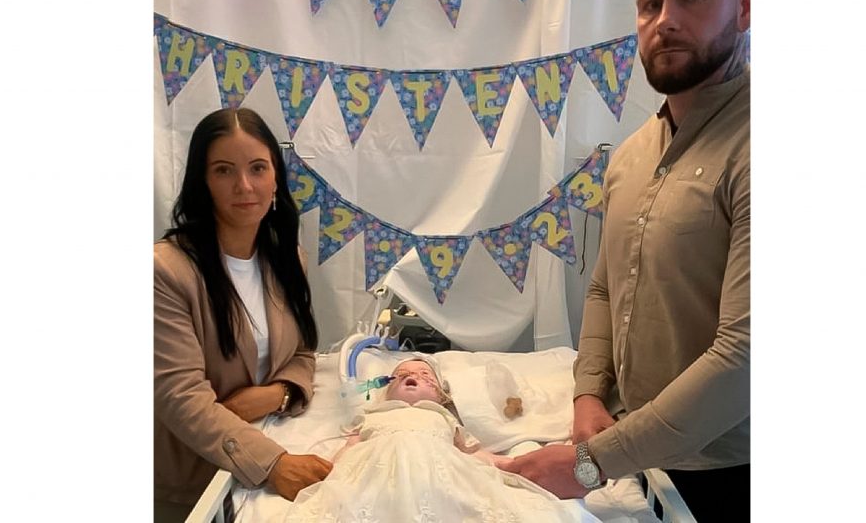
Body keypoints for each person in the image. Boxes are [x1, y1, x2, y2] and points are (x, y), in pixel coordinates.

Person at [504, 0, 751, 521]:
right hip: (632, 453)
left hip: (729, 472)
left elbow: (746, 354)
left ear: (743, 8)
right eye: (650, 5)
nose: (666, 21)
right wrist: (589, 393)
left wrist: (590, 464)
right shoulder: (631, 155)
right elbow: (605, 287)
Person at [154, 107, 332, 521]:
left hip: (268, 445)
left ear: (275, 178)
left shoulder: (288, 259)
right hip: (195, 481)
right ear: (203, 182)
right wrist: (273, 463)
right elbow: (180, 396)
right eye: (223, 171)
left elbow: (302, 353)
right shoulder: (166, 271)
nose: (244, 186)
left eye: (257, 168)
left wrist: (278, 394)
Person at [283, 356, 602, 523]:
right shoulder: (373, 415)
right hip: (376, 471)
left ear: (441, 395)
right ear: (385, 388)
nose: (413, 376)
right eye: (402, 374)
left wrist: (509, 464)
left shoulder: (442, 417)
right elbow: (349, 450)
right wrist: (331, 475)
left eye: (426, 376)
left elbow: (472, 455)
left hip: (438, 469)